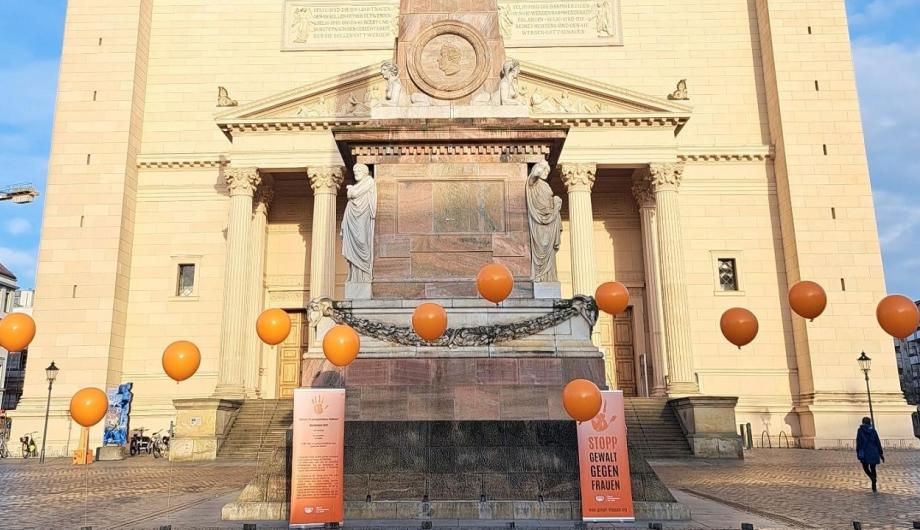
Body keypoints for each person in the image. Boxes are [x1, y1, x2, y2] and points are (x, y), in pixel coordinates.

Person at [856, 417, 884, 492]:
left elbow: (858, 442)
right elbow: (878, 442)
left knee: (865, 467)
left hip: (865, 452)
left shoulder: (860, 430)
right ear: (869, 422)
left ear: (863, 422)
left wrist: (858, 452)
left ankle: (872, 478)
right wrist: (881, 453)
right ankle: (874, 486)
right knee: (873, 468)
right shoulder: (873, 430)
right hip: (874, 451)